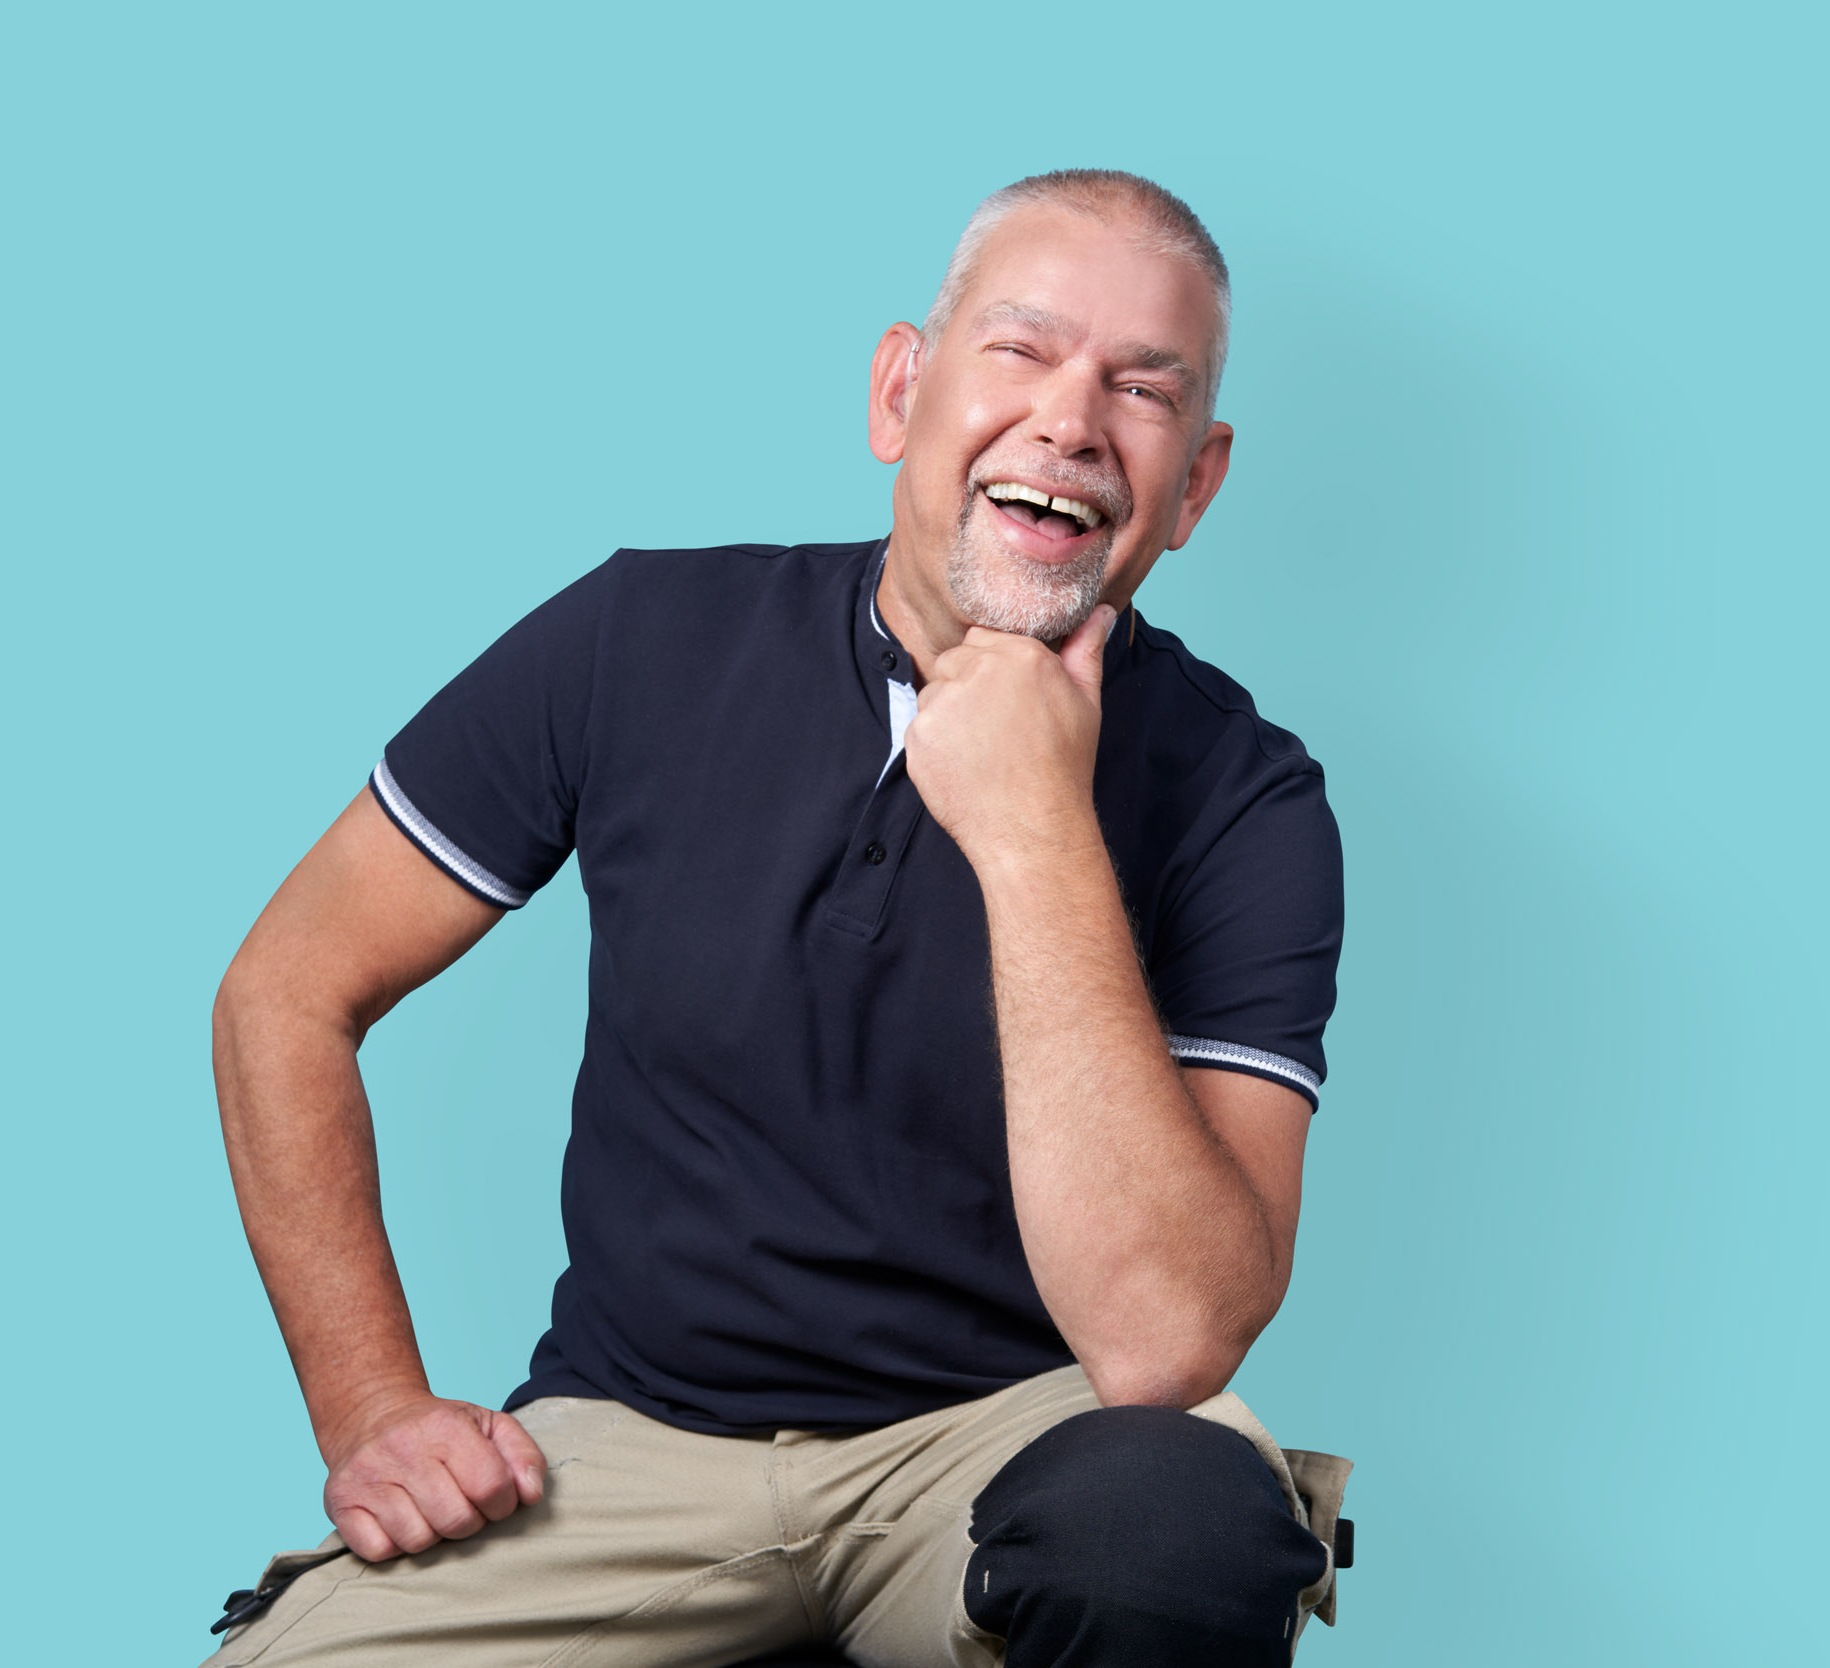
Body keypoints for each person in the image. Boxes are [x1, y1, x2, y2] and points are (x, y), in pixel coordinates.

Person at [205, 169, 1349, 1668]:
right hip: (632, 1440)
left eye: (1143, 390)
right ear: (899, 391)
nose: (1071, 421)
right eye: (1020, 349)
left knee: (1179, 1531)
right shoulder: (636, 639)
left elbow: (1167, 1341)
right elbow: (284, 992)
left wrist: (1033, 828)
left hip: (1008, 1441)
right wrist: (371, 1405)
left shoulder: (1249, 797)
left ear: (1194, 486)